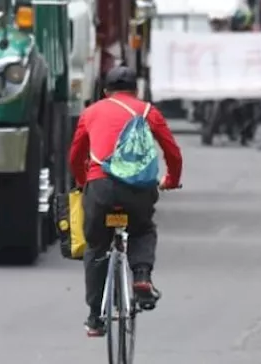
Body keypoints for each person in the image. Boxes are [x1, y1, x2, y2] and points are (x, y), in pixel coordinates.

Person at [68, 66, 183, 337]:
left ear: (105, 91)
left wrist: (83, 181)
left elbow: (75, 155)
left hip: (101, 187)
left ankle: (95, 317)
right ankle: (141, 277)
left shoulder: (91, 112)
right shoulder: (148, 112)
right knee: (142, 228)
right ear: (136, 90)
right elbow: (173, 152)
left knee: (96, 247)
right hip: (138, 189)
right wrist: (172, 179)